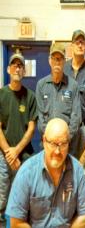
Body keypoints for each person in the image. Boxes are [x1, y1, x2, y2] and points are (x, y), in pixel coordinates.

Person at [5, 118, 85, 227]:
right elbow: (16, 222)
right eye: (53, 144)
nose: (57, 151)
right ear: (44, 141)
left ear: (68, 143)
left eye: (63, 144)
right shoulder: (27, 172)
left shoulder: (77, 171)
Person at [0, 52, 37, 222]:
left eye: (20, 66)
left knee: (24, 195)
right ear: (8, 69)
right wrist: (9, 152)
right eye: (14, 65)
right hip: (3, 154)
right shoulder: (1, 95)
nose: (17, 68)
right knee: (2, 194)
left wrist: (17, 151)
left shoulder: (30, 96)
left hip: (24, 154)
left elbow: (31, 129)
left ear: (24, 71)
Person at [36, 42, 82, 157]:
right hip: (48, 144)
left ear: (64, 61)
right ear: (49, 60)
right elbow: (40, 117)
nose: (57, 62)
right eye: (54, 58)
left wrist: (64, 139)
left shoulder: (73, 86)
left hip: (68, 145)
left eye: (60, 59)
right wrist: (51, 139)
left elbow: (76, 117)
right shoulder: (41, 85)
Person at [64, 30, 85, 160]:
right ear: (72, 46)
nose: (80, 45)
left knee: (82, 169)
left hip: (83, 129)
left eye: (82, 42)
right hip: (65, 127)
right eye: (77, 42)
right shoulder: (64, 69)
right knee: (64, 167)